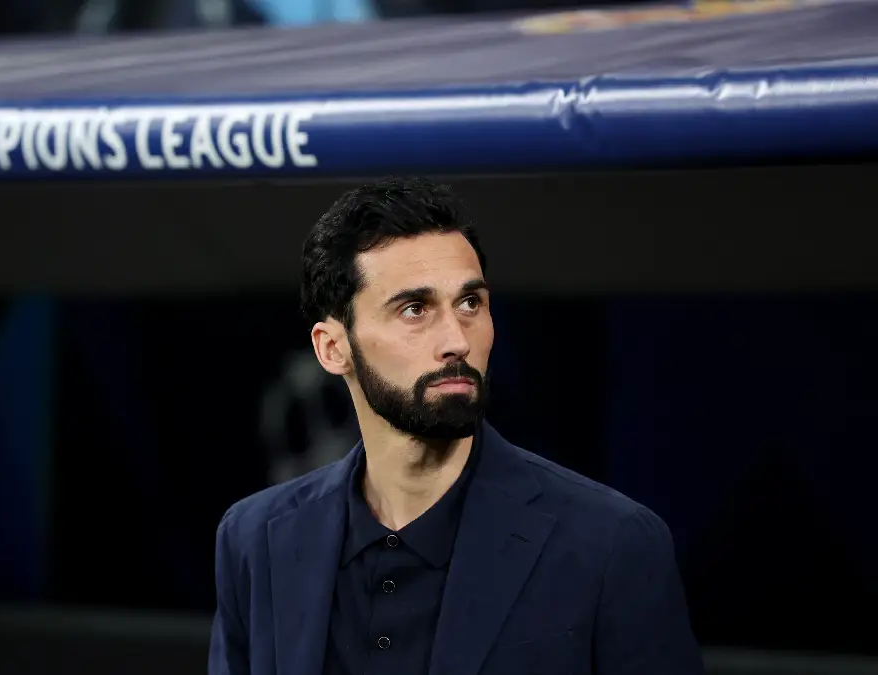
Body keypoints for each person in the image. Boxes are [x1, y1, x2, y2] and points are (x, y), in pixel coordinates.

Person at [208, 177, 706, 675]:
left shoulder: (610, 544)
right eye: (414, 309)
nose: (457, 341)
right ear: (333, 348)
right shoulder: (255, 539)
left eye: (471, 304)